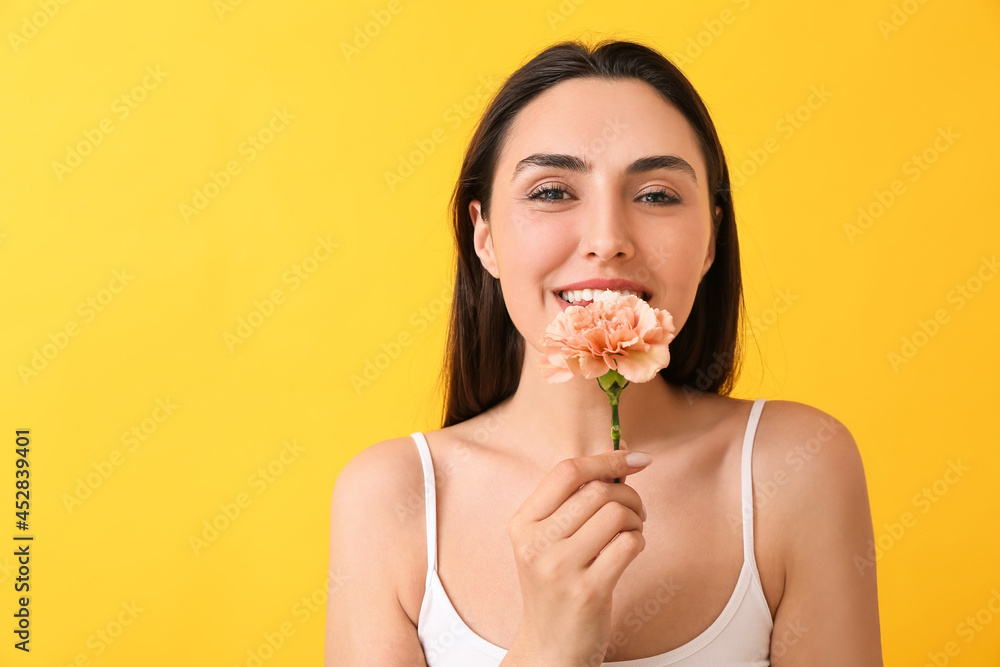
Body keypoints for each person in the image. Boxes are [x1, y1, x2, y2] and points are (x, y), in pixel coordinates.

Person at [325, 38, 883, 666]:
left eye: (656, 195)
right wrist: (547, 645)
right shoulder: (391, 499)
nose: (607, 239)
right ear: (484, 237)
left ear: (710, 241)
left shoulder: (794, 468)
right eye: (551, 192)